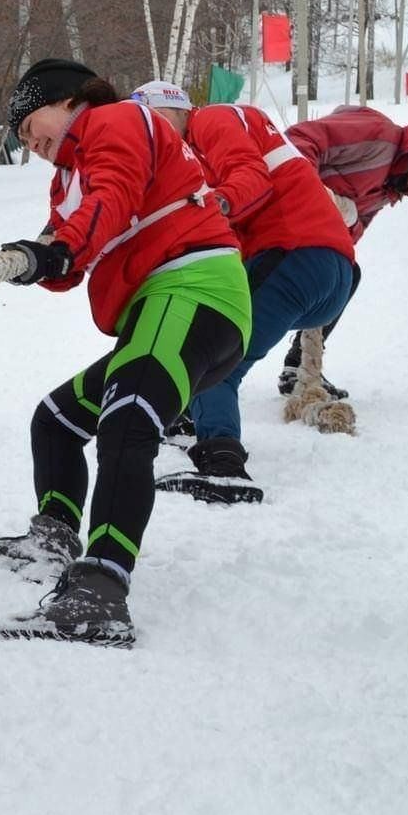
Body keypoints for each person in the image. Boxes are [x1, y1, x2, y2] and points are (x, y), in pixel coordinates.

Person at [0, 59, 250, 648]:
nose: (28, 139)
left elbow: (111, 198)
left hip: (191, 289)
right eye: (18, 136)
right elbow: (74, 251)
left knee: (128, 422)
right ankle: (54, 538)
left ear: (68, 100)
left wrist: (60, 249)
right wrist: (36, 258)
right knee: (59, 419)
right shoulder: (69, 176)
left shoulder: (115, 120)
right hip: (160, 312)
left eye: (28, 120)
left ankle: (101, 590)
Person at [124, 82, 356, 503]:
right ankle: (187, 416)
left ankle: (224, 466)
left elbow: (250, 177)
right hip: (321, 268)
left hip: (295, 254)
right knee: (202, 336)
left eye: (156, 119)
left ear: (178, 109)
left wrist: (213, 205)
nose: (154, 134)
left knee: (217, 356)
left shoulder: (212, 119)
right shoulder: (189, 156)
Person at [272, 104, 408, 396]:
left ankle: (301, 365)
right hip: (272, 213)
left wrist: (349, 215)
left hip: (298, 237)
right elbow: (300, 139)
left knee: (345, 276)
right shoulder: (377, 135)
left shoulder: (388, 190)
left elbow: (353, 233)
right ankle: (210, 375)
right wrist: (311, 192)